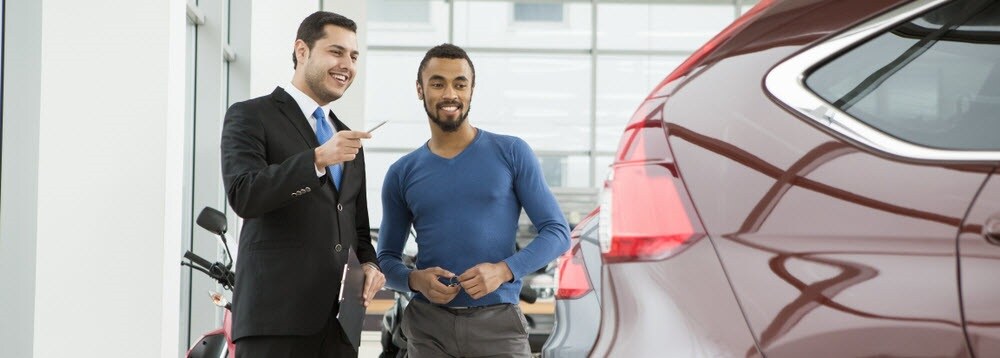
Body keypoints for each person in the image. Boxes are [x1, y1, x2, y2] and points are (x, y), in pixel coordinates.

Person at [376, 44, 571, 357]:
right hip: (428, 329)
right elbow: (385, 259)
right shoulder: (402, 173)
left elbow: (558, 233)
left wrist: (503, 271)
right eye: (437, 83)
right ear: (420, 89)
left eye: (460, 84)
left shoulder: (511, 152)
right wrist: (415, 280)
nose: (450, 94)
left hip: (499, 325)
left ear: (472, 90)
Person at [220, 11, 385, 358]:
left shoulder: (345, 135)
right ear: (302, 51)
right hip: (275, 322)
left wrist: (371, 266)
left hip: (339, 327)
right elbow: (244, 194)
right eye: (336, 52)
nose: (348, 65)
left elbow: (357, 227)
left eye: (354, 56)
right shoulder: (251, 115)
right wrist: (316, 160)